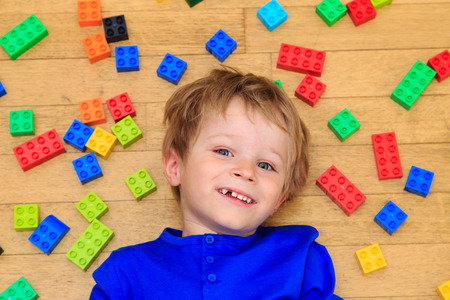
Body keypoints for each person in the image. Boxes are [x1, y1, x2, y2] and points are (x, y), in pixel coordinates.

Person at [90, 66, 342, 300]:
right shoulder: (126, 273)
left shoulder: (300, 259)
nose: (245, 171)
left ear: (279, 199)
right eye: (224, 151)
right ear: (176, 168)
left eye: (266, 165)